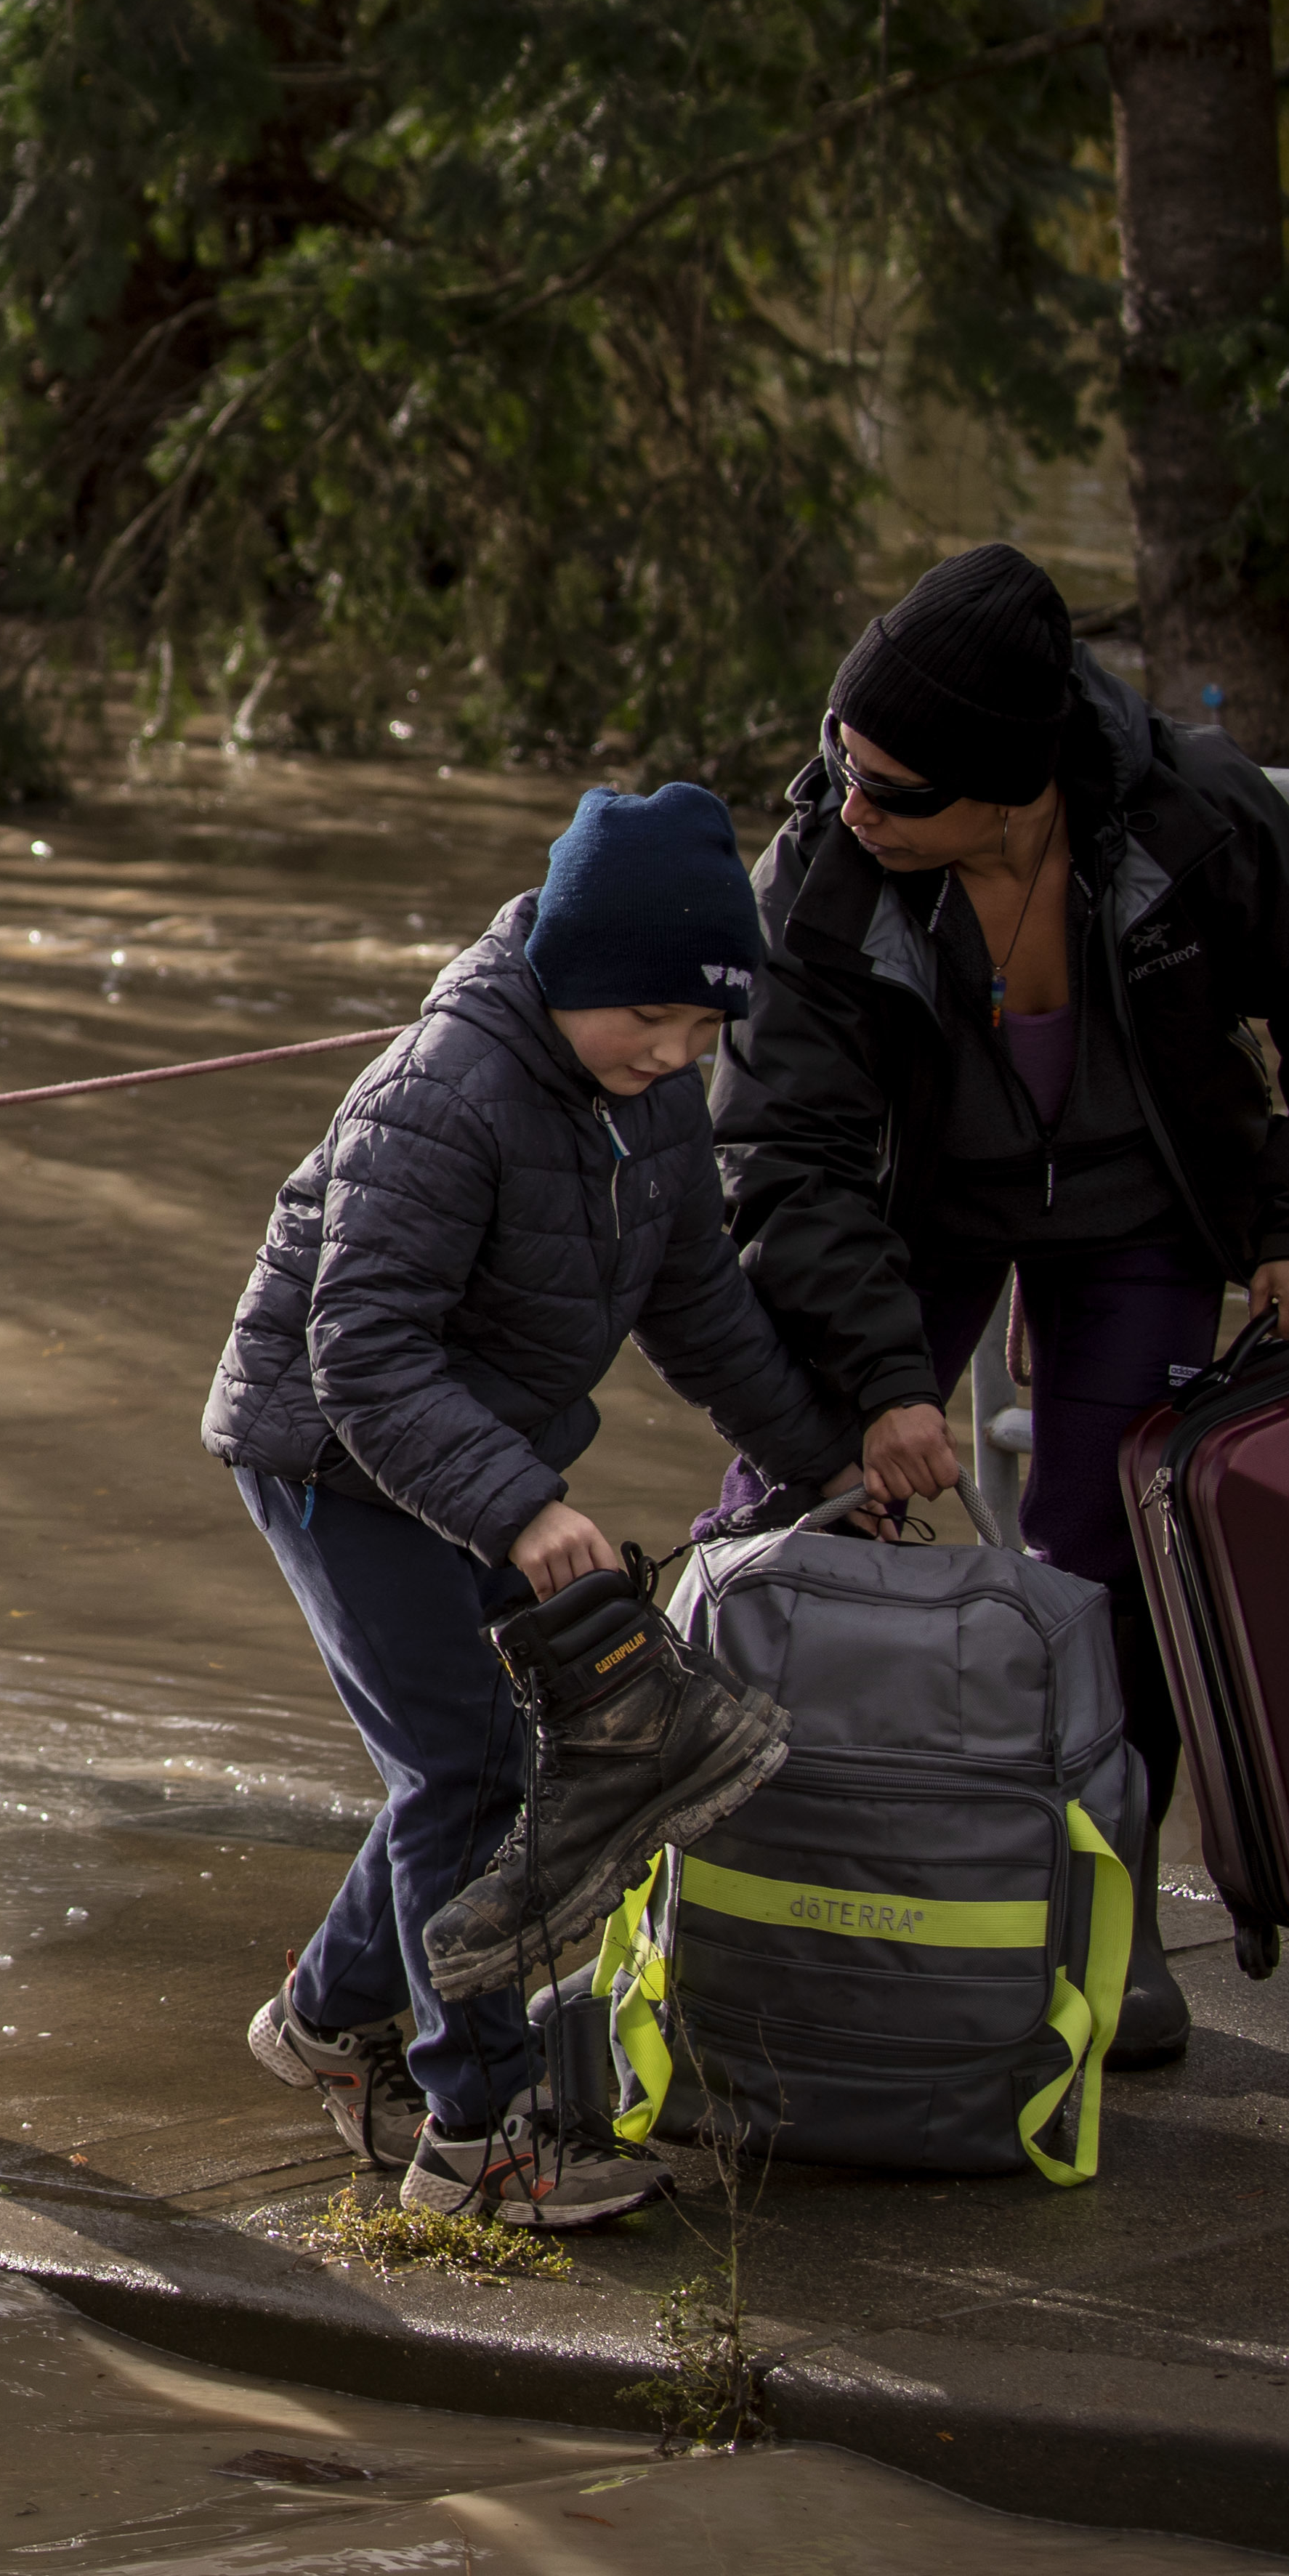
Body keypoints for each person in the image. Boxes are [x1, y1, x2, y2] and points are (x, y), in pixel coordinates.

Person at [718, 542, 1289, 2063]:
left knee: (1115, 1558)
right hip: (901, 1209)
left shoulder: (1195, 816)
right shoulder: (822, 877)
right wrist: (882, 1379)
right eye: (839, 757)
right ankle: (757, 1880)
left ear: (1012, 786)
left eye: (894, 787)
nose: (850, 801)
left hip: (1138, 1207)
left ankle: (1085, 1917)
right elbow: (779, 1150)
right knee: (805, 1499)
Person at [204, 784, 854, 2229]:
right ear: (574, 968)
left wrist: (823, 1464)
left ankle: (322, 2021)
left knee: (506, 1757)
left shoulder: (649, 1095)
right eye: (656, 1024)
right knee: (464, 1768)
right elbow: (359, 1351)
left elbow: (703, 1314)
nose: (679, 1056)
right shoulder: (442, 1089)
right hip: (328, 1454)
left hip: (469, 1453)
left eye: (704, 1035)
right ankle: (475, 2137)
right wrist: (513, 1511)